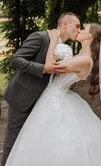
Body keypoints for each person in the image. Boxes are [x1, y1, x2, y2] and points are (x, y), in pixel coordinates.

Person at [4, 23, 101, 166]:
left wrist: (53, 40)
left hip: (56, 99)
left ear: (89, 35)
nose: (80, 30)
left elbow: (51, 66)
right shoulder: (80, 55)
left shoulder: (86, 60)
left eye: (83, 29)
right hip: (52, 96)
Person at [1, 12, 81, 166]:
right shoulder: (41, 37)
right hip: (23, 98)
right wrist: (44, 68)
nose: (79, 29)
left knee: (31, 145)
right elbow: (16, 60)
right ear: (64, 24)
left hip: (45, 103)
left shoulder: (65, 48)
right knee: (13, 142)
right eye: (76, 25)